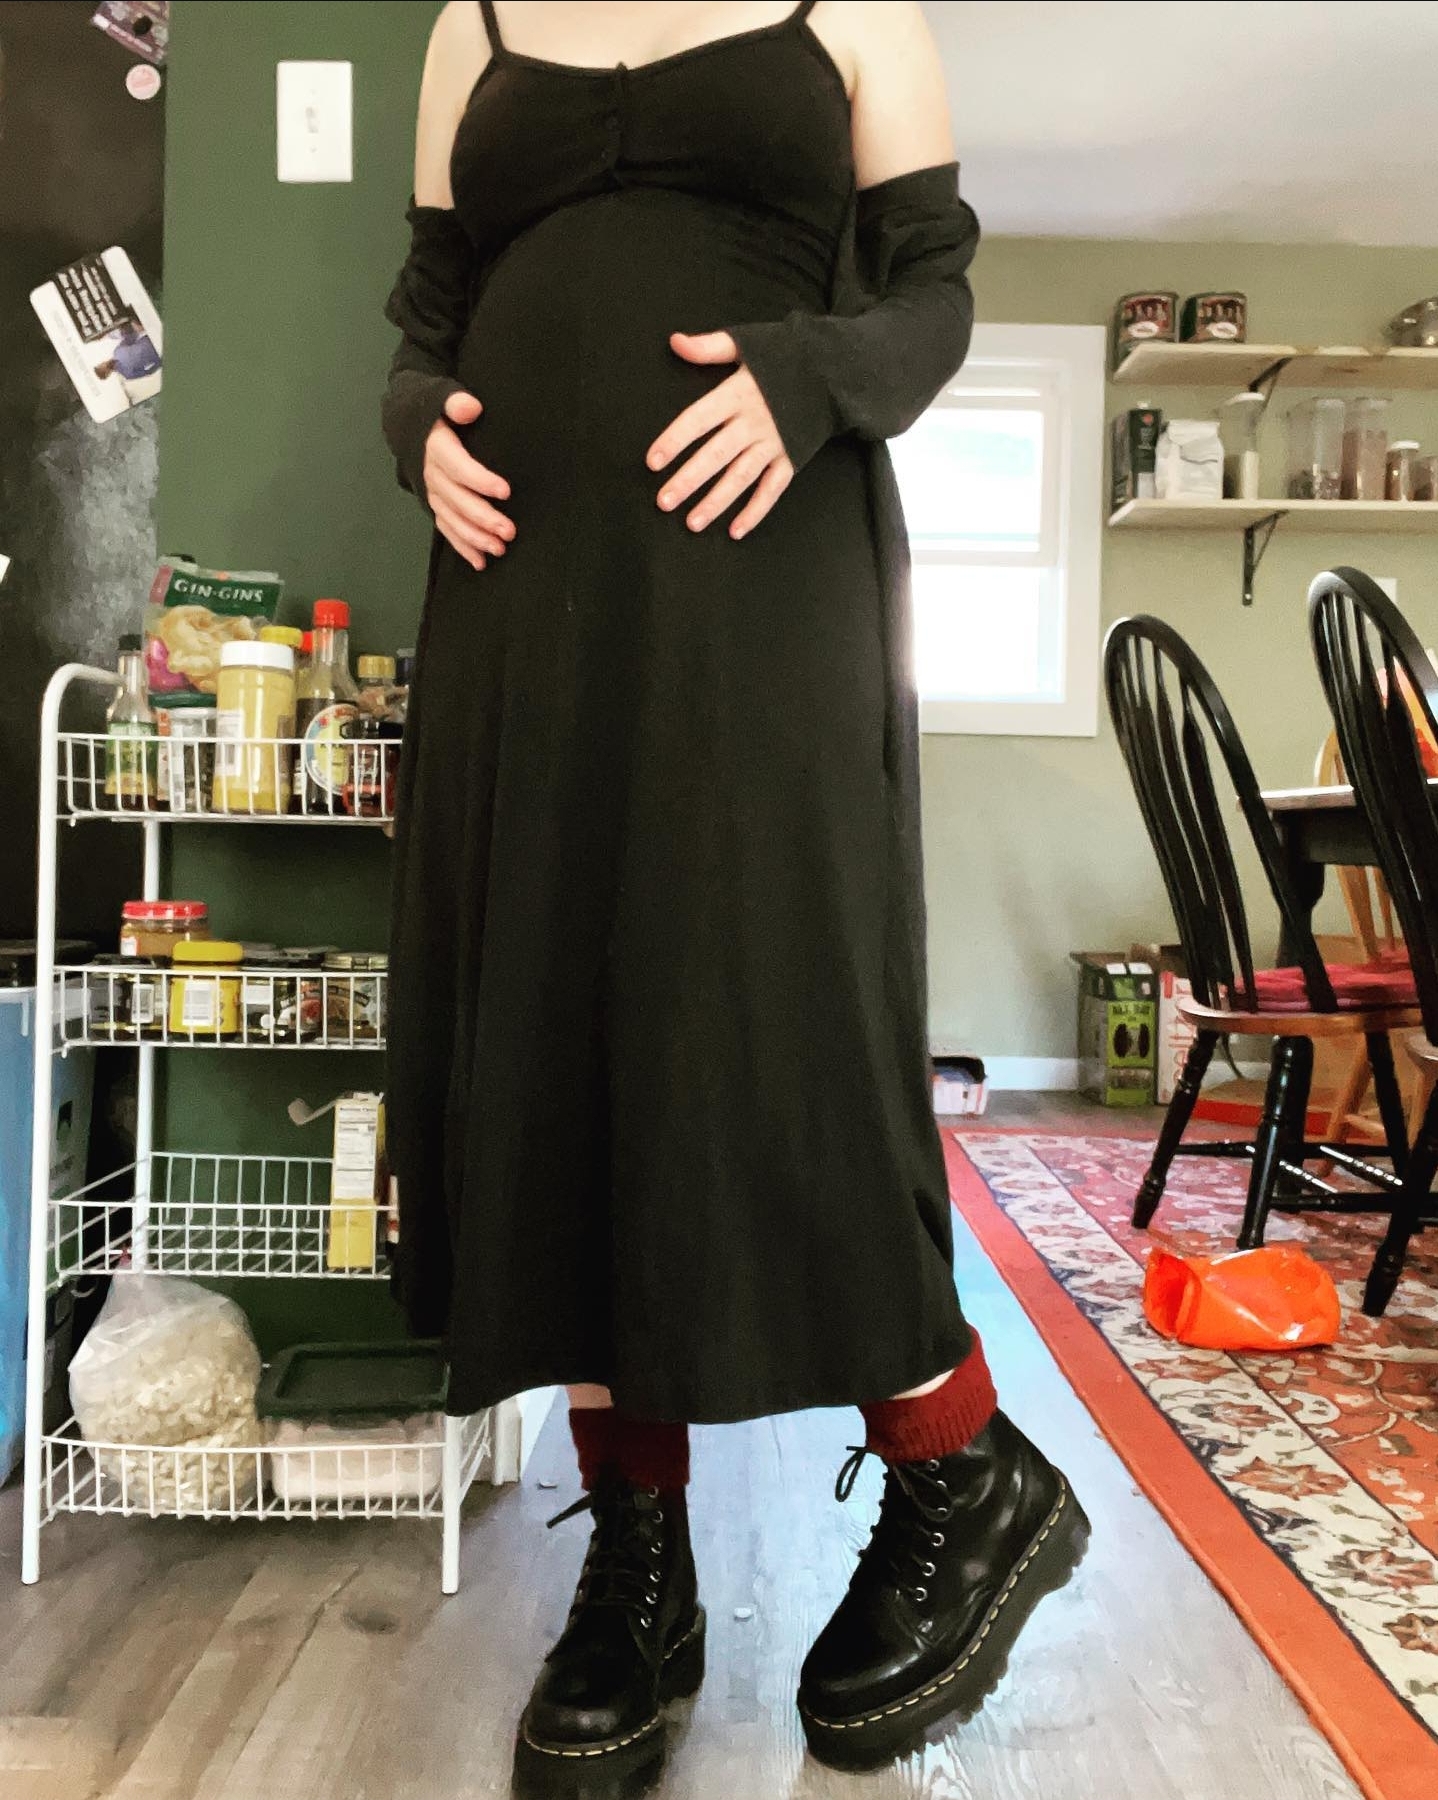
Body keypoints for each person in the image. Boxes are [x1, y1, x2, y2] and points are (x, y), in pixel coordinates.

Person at [380, 0, 1087, 1781]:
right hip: (522, 598)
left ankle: (957, 1463)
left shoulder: (850, 15)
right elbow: (428, 313)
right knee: (557, 1016)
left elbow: (930, 292)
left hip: (762, 582)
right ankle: (637, 1563)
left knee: (776, 992)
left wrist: (808, 378)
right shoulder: (472, 25)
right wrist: (412, 424)